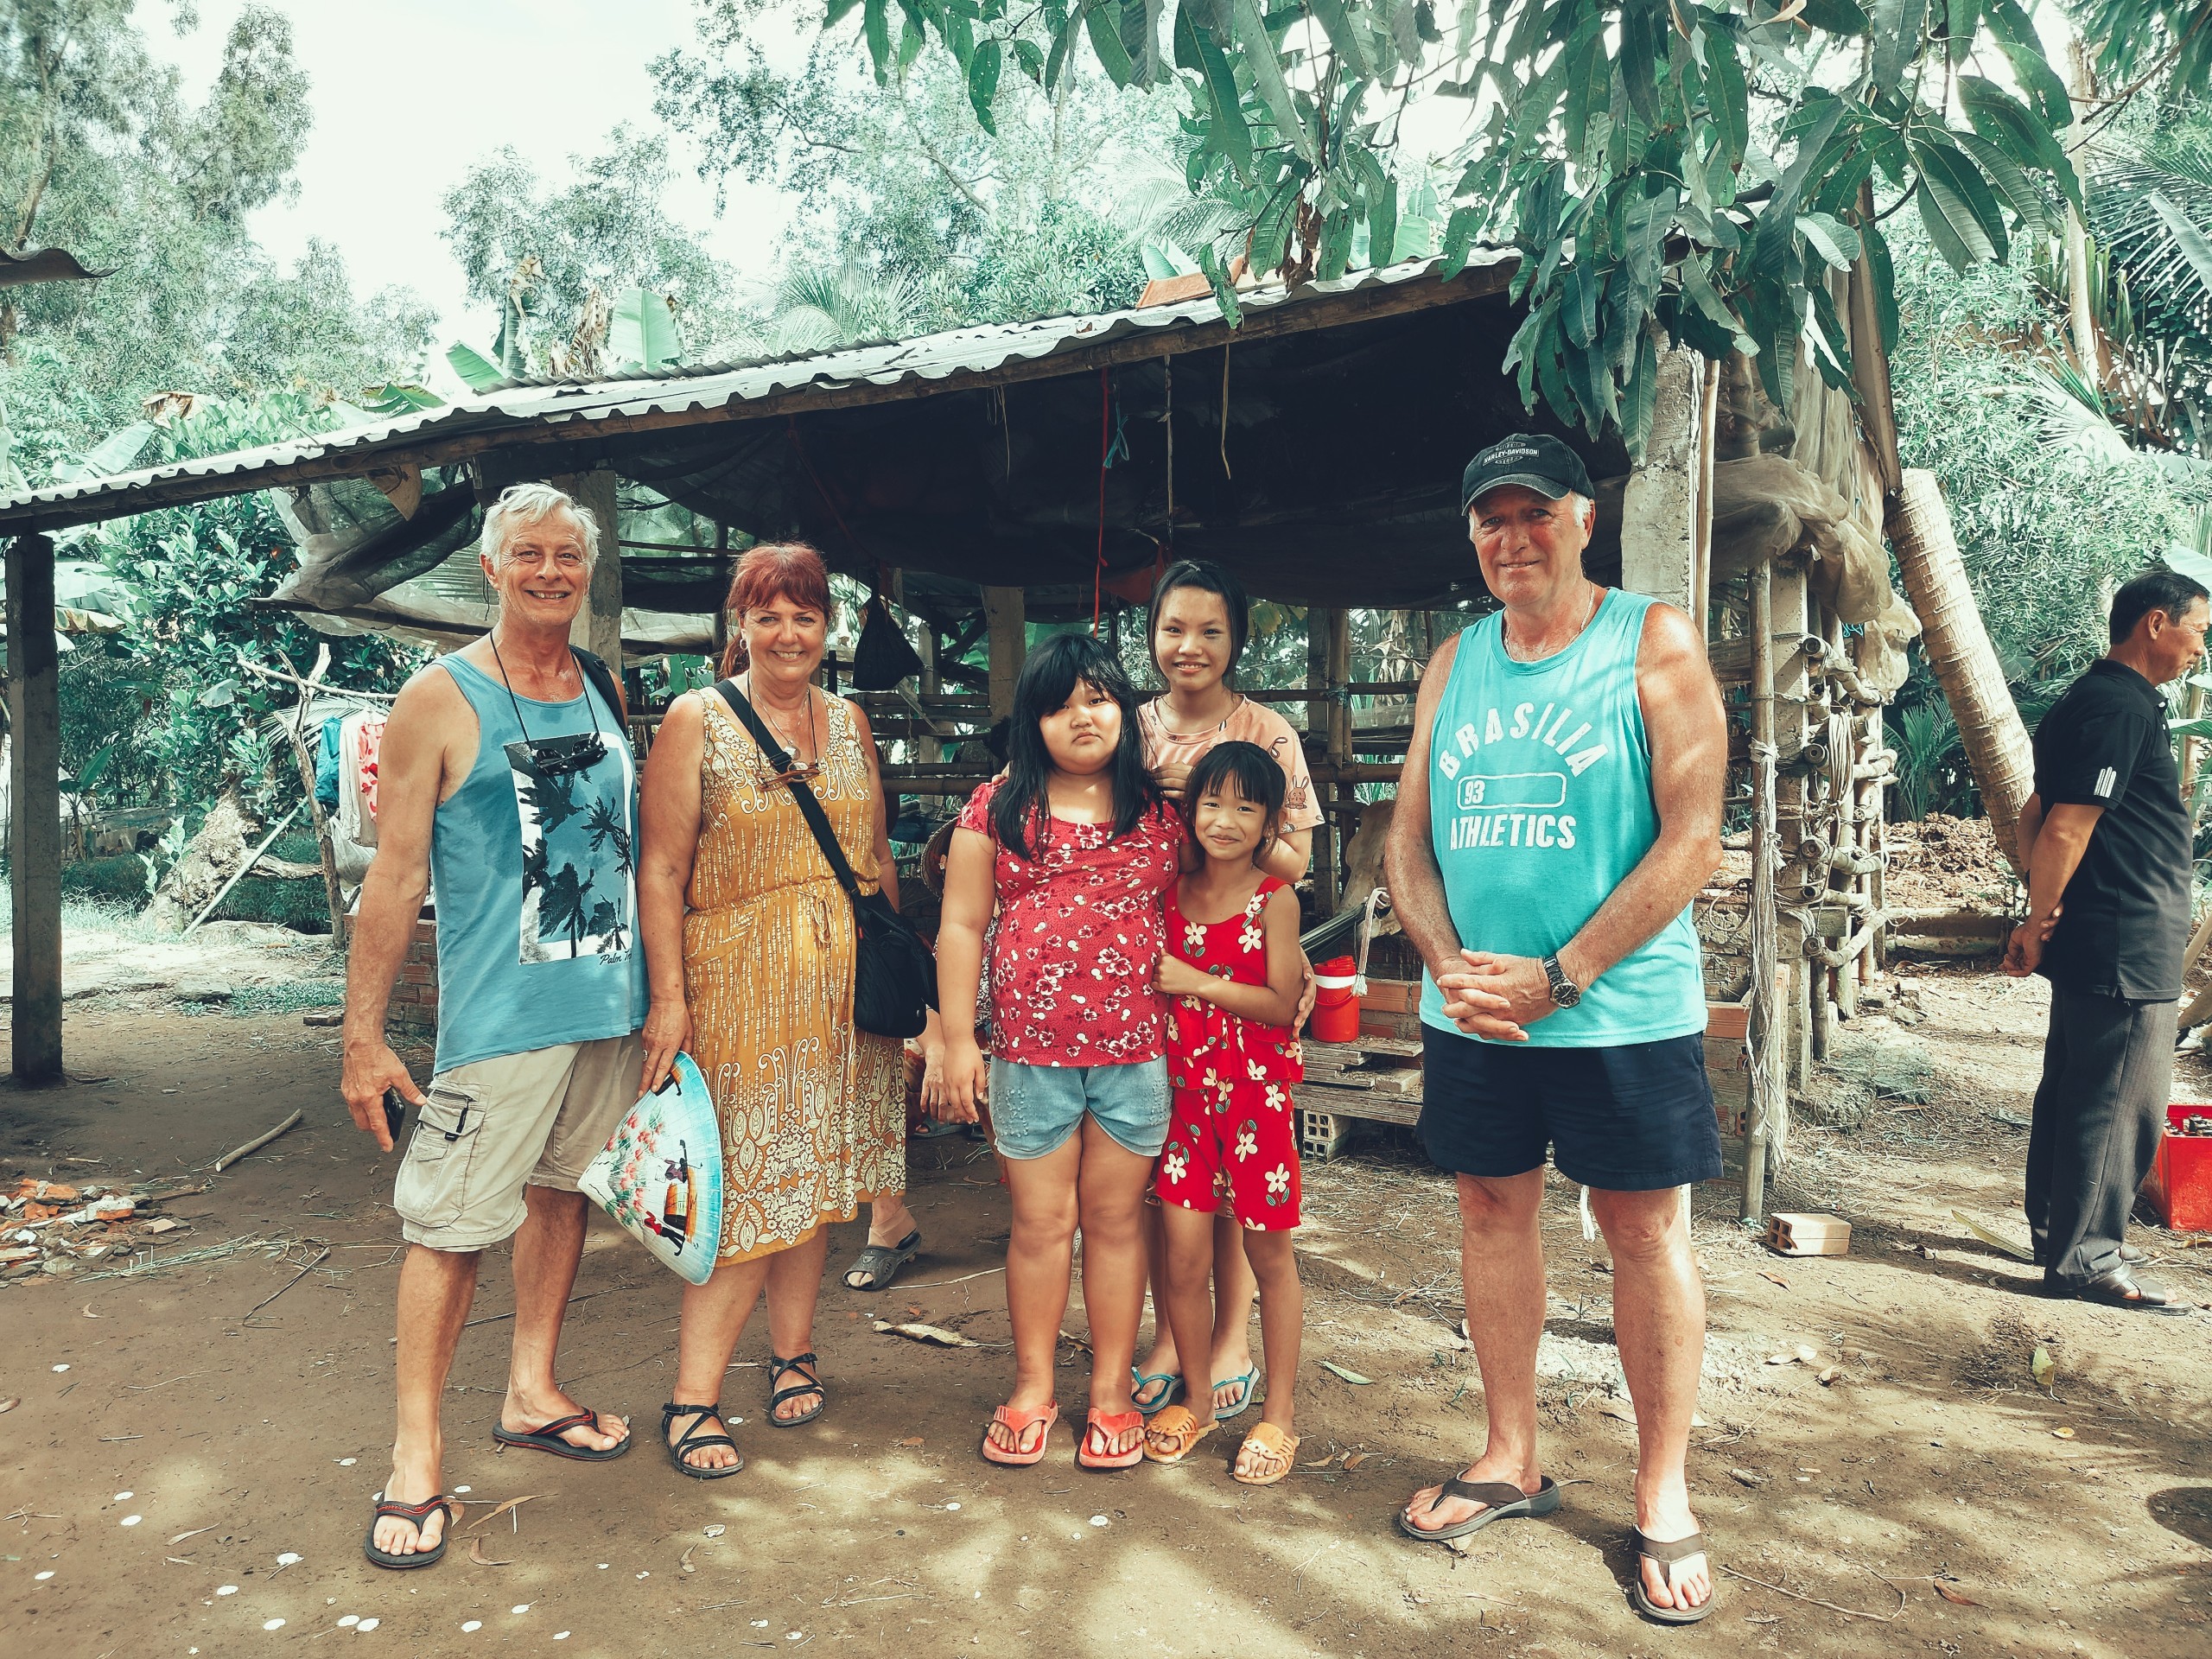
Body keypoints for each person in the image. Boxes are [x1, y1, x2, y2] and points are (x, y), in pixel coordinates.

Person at [1384, 434, 1727, 1625]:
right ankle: (1510, 1455)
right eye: (1491, 519)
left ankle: (1662, 1492)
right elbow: (1406, 840)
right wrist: (1445, 965)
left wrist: (1561, 975)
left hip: (1618, 1010)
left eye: (1535, 514)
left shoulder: (1654, 642)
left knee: (1643, 1233)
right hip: (1477, 1011)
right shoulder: (1456, 661)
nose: (1511, 538)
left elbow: (1694, 842)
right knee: (1491, 1208)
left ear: (1583, 519)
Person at [340, 482, 645, 1569]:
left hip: (608, 1012)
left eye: (569, 553)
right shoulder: (440, 695)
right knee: (451, 1227)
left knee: (562, 1198)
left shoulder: (600, 683)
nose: (551, 570)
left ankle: (530, 1387)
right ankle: (414, 1455)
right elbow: (395, 877)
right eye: (530, 553)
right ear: (491, 566)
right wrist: (363, 1039)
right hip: (499, 1020)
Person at [634, 543, 906, 1478]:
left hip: (841, 988)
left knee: (815, 1179)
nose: (787, 633)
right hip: (737, 984)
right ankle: (691, 1398)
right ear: (738, 624)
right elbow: (662, 869)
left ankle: (794, 1354)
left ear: (826, 629)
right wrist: (667, 1001)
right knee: (746, 1188)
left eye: (804, 616)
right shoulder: (695, 719)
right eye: (768, 615)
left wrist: (899, 988)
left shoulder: (852, 721)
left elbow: (875, 858)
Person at [936, 632, 1182, 1469]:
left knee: (1115, 1224)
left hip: (1135, 1053)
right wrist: (956, 1040)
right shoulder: (996, 808)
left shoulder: (1160, 812)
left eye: (1099, 699)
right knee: (1041, 1226)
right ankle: (1033, 1386)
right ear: (1031, 721)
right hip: (1028, 1056)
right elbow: (961, 924)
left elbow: (1235, 880)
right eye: (1059, 704)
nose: (1082, 717)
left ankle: (1110, 1392)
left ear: (1125, 710)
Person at [1131, 560, 1320, 1423]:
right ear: (1152, 636)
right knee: (1172, 1183)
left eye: (1210, 630)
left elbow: (1296, 862)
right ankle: (1173, 1338)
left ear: (1236, 639)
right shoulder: (1127, 729)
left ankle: (1231, 1334)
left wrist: (1213, 822)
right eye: (1174, 628)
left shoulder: (1266, 731)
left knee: (1241, 1184)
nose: (1190, 647)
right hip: (1149, 959)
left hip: (1235, 962)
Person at [2003, 567, 2209, 1314]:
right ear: (2155, 624)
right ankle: (2087, 1259)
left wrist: (2043, 905)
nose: (2199, 650)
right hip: (2125, 934)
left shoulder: (2091, 703)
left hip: (2105, 929)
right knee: (2124, 1099)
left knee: (2078, 1086)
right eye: (2197, 632)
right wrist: (2037, 915)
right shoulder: (2118, 707)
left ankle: (2059, 1228)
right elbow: (2063, 825)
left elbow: (2033, 815)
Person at [1143, 742, 1309, 1484]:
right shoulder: (1167, 892)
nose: (1227, 820)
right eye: (1213, 803)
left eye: (1247, 807)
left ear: (1272, 822)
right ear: (1190, 810)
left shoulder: (1277, 899)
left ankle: (1280, 1415)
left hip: (1256, 1104)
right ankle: (1200, 1401)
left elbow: (1279, 1005)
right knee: (1180, 1259)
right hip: (1184, 1105)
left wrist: (1196, 982)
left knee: (1269, 1258)